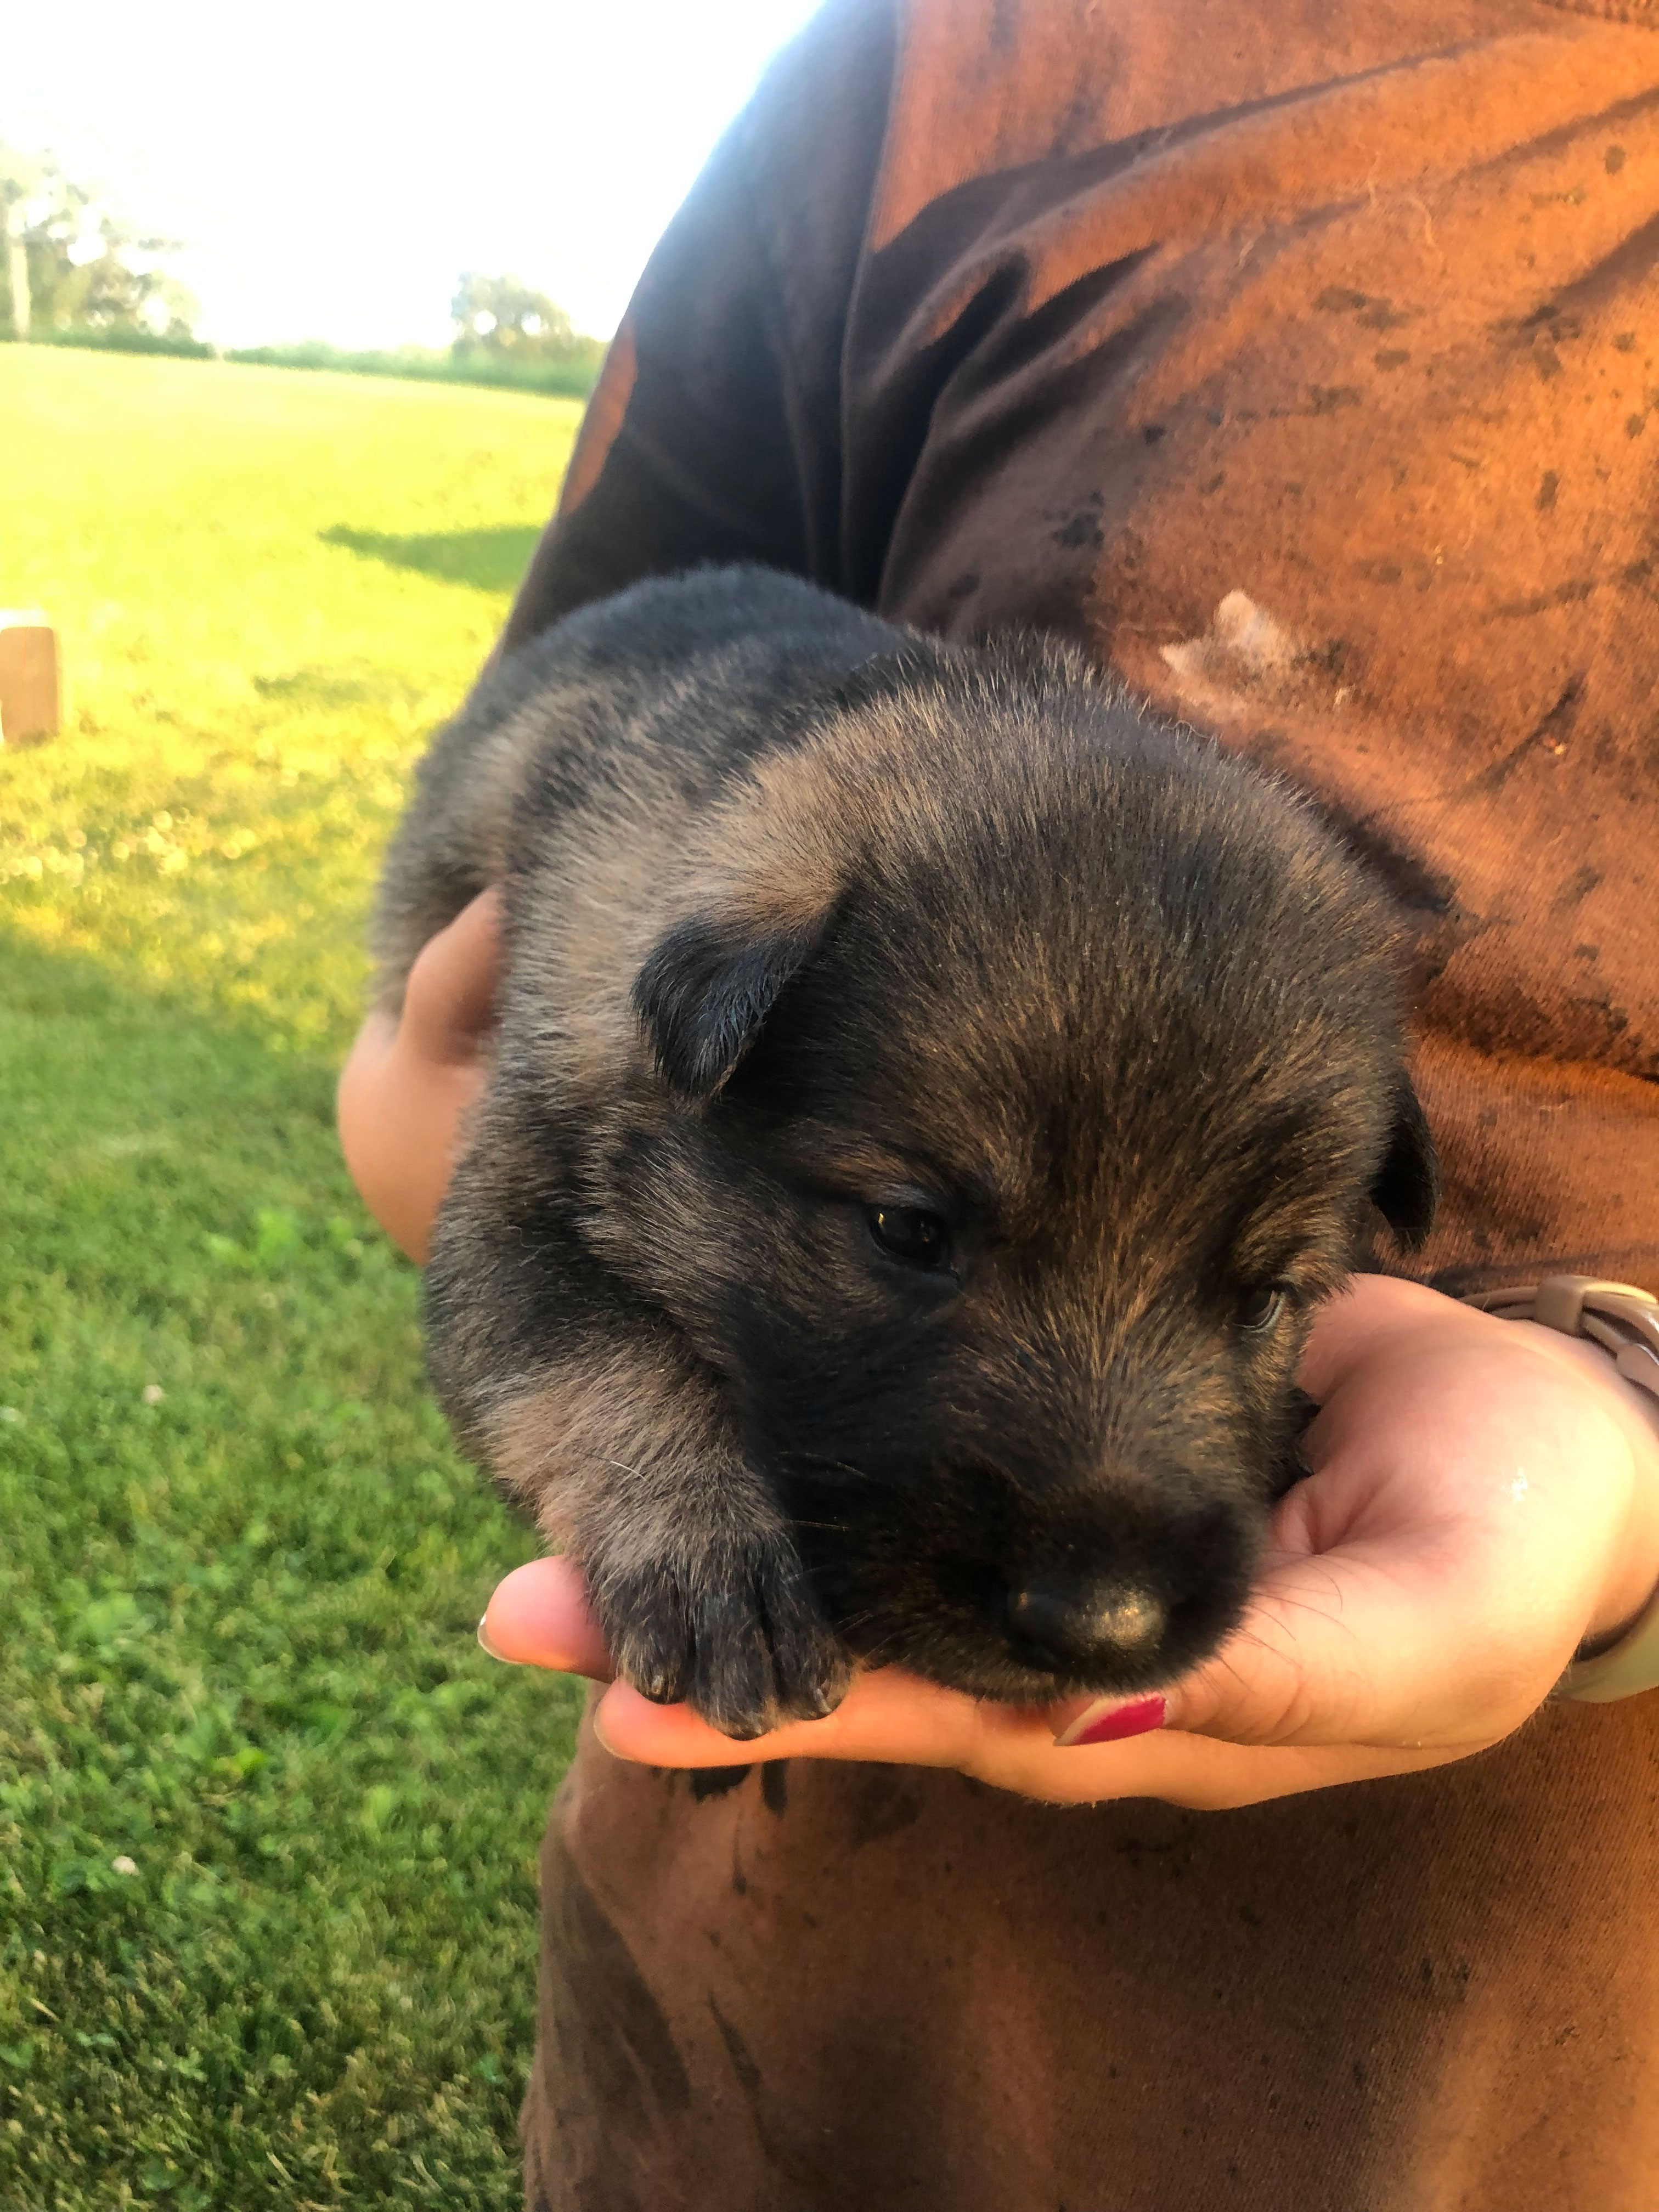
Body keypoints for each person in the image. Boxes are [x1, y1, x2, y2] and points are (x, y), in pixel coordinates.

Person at [338, 2, 1659, 2204]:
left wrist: (1624, 1423)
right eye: (918, 1238)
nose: (1107, 1573)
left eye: (1263, 1291)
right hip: (774, 1993)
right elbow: (512, 1165)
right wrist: (466, 1171)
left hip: (1526, 2020)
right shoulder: (953, 62)